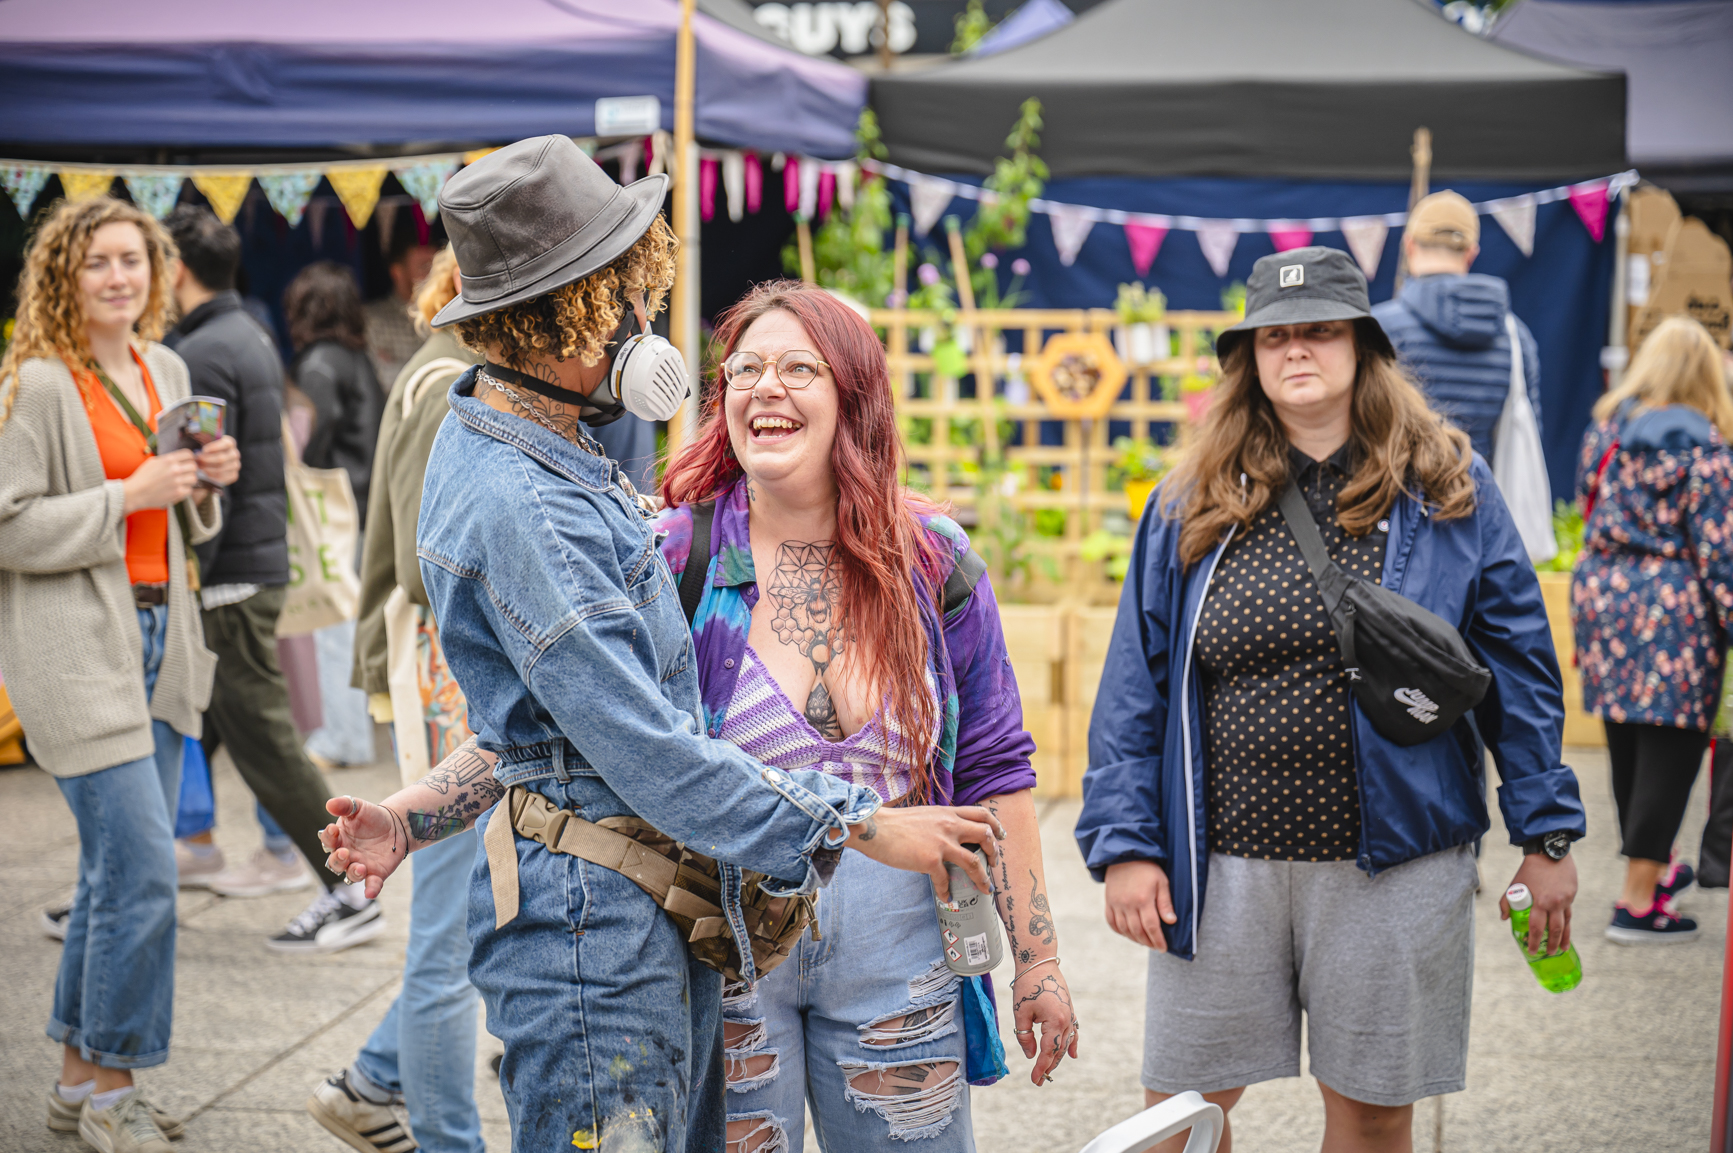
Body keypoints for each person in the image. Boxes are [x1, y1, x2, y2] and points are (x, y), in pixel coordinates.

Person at [315, 135, 1006, 1153]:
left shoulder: (541, 447)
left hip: (638, 923)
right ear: (565, 310)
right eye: (620, 293)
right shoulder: (530, 505)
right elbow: (643, 747)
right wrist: (856, 829)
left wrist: (416, 814)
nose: (642, 321)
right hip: (597, 942)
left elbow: (557, 726)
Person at [1078, 247, 1585, 1153]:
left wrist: (1544, 836)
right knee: (1173, 1116)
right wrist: (1125, 844)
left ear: (1363, 347)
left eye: (1318, 329)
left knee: (1374, 1115)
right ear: (1250, 358)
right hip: (1220, 866)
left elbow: (1519, 670)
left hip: (1393, 864)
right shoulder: (1190, 500)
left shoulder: (1449, 489)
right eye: (1274, 335)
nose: (1295, 349)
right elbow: (1135, 681)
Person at [654, 280, 1075, 1152]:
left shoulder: (932, 560)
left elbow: (997, 766)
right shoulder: (676, 556)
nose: (764, 386)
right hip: (727, 932)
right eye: (744, 369)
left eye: (798, 366)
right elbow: (597, 724)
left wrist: (1037, 960)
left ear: (854, 395)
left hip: (903, 939)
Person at [0, 194, 239, 1152]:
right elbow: (9, 522)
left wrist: (203, 482)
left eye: (133, 260)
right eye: (97, 260)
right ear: (64, 271)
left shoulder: (164, 365)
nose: (118, 276)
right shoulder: (35, 382)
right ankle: (116, 1093)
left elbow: (176, 517)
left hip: (161, 638)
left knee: (109, 875)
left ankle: (72, 1083)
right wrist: (124, 493)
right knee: (145, 872)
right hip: (76, 650)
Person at [305, 246, 485, 1153]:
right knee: (452, 935)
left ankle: (374, 1079)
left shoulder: (455, 366)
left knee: (477, 916)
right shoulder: (453, 376)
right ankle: (449, 1138)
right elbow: (432, 555)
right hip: (450, 677)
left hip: (459, 676)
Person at [161, 205, 339, 902]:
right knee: (186, 727)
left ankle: (347, 884)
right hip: (248, 567)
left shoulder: (200, 351)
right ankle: (158, 859)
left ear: (172, 268)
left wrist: (195, 564)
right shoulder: (246, 332)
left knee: (267, 744)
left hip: (229, 576)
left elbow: (210, 478)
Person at [1572, 315, 1733, 944]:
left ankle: (1649, 873)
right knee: (1672, 752)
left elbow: (1585, 496)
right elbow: (1720, 554)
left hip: (1604, 599)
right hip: (1674, 610)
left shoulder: (1606, 433)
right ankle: (1637, 904)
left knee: (1628, 744)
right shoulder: (1709, 452)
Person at [284, 262, 385, 773]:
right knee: (348, 620)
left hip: (335, 508)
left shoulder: (319, 364)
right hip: (365, 505)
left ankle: (342, 738)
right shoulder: (357, 359)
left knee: (332, 624)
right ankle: (349, 732)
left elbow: (306, 441)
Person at [1372, 190, 1543, 464]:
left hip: (1398, 498)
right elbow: (1529, 434)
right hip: (1483, 498)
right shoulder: (1515, 336)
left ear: (1409, 245)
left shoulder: (1378, 328)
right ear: (1471, 253)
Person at [364, 232, 436, 390]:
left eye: (436, 267)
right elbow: (378, 379)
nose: (433, 275)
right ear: (397, 272)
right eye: (424, 266)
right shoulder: (372, 318)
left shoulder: (445, 317)